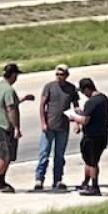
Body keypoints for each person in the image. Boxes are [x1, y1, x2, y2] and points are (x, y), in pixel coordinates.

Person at [33, 64, 79, 192]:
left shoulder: (71, 88)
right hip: (49, 126)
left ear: (66, 75)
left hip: (63, 126)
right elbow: (42, 105)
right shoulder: (49, 87)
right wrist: (43, 122)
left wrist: (76, 122)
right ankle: (39, 179)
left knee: (60, 155)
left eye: (62, 74)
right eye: (57, 74)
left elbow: (75, 106)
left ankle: (58, 179)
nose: (59, 77)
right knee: (44, 153)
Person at [0, 62, 35, 193]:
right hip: (6, 126)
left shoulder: (0, 87)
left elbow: (9, 103)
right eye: (16, 75)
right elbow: (11, 109)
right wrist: (16, 127)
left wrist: (23, 99)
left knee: (4, 153)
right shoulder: (9, 90)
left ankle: (1, 181)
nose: (17, 78)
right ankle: (0, 183)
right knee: (5, 155)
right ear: (13, 75)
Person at [70, 77, 108, 197]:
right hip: (102, 134)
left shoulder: (91, 102)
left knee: (92, 162)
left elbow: (85, 120)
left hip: (92, 136)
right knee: (88, 160)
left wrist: (73, 117)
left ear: (87, 89)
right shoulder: (103, 98)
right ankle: (85, 183)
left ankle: (95, 187)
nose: (82, 94)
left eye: (82, 91)